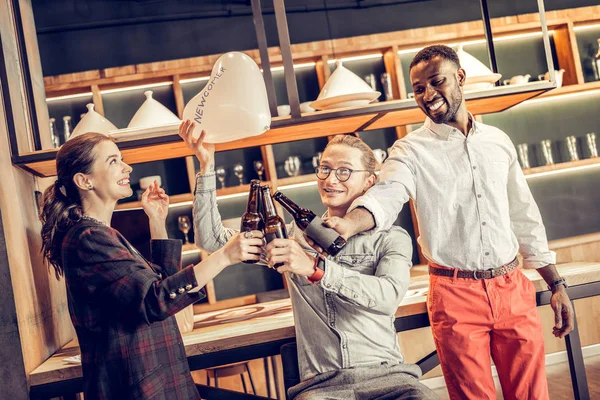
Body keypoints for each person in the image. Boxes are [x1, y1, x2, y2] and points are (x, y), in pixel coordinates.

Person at [323, 45, 574, 400]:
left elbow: (524, 215)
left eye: (435, 82)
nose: (427, 95)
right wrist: (350, 223)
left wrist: (556, 283)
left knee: (533, 395)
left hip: (512, 286)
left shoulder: (497, 142)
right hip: (455, 295)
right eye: (418, 89)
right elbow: (387, 193)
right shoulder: (409, 151)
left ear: (459, 78)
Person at [179, 120, 437, 400]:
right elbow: (212, 239)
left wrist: (316, 270)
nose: (330, 179)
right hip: (320, 388)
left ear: (369, 181)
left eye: (344, 171)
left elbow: (387, 297)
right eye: (325, 169)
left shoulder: (391, 238)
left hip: (390, 379)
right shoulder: (292, 238)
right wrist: (206, 167)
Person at [39, 132, 264, 400]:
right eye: (113, 161)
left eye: (121, 159)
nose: (127, 167)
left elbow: (160, 291)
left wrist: (157, 221)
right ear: (84, 180)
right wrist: (225, 256)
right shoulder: (88, 239)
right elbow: (156, 301)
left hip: (156, 382)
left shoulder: (102, 234)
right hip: (139, 389)